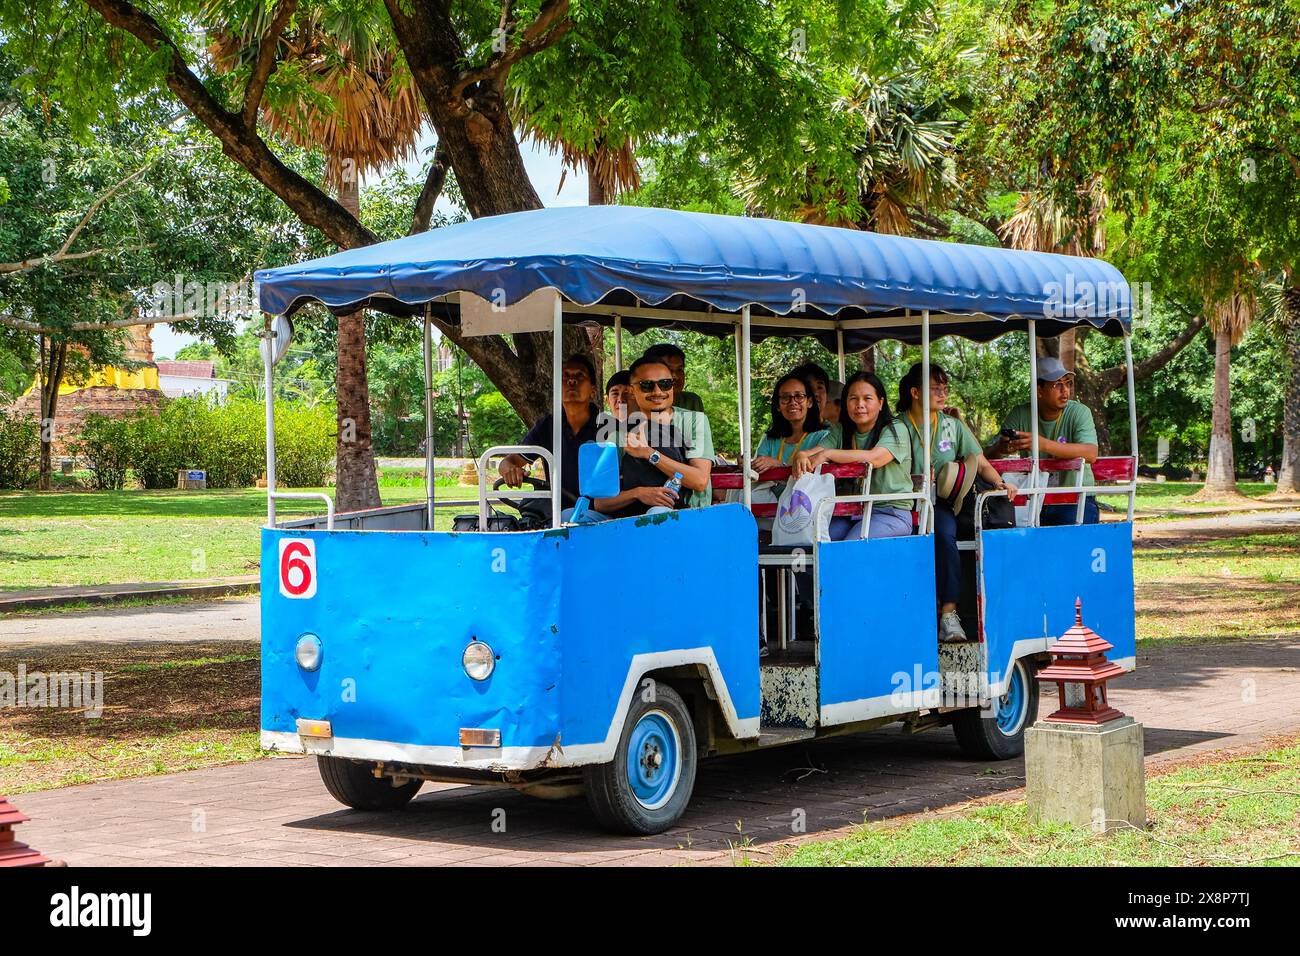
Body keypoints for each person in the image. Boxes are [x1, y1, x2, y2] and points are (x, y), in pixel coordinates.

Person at [897, 362, 1017, 642]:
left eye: (944, 388)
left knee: (945, 536)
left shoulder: (953, 426)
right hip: (901, 503)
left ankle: (949, 615)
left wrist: (999, 483)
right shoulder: (898, 425)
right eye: (935, 388)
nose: (942, 393)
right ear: (915, 392)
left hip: (940, 502)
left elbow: (981, 462)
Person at [791, 371, 913, 540]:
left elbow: (875, 458)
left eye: (867, 398)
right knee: (820, 540)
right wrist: (802, 455)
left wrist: (829, 454)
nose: (860, 404)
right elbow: (814, 453)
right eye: (853, 398)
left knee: (852, 544)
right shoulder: (841, 430)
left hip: (890, 512)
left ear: (880, 402)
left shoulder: (895, 428)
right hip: (852, 513)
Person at [591, 356, 715, 519]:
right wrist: (638, 493)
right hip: (628, 517)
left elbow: (699, 480)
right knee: (570, 515)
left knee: (657, 515)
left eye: (665, 384)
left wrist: (649, 453)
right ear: (633, 392)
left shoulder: (693, 421)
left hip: (686, 514)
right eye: (647, 385)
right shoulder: (619, 434)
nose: (658, 392)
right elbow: (600, 502)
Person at [986, 357, 1099, 525]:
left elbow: (1091, 453)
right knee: (1002, 525)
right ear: (1039, 390)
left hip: (1074, 497)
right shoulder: (1020, 413)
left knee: (1070, 537)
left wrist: (1041, 443)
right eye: (1057, 384)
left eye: (1067, 383)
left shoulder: (1079, 412)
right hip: (1033, 496)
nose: (1065, 390)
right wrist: (1002, 447)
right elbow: (987, 455)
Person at [498, 354, 607, 507]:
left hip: (601, 516)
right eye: (565, 376)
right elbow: (508, 461)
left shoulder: (609, 427)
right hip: (555, 517)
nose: (571, 381)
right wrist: (510, 471)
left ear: (593, 391)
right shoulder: (547, 426)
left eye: (580, 376)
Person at [752, 371, 829, 471]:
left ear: (809, 402)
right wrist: (748, 466)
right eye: (785, 397)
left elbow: (813, 471)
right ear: (778, 406)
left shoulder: (824, 437)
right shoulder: (769, 439)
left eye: (799, 396)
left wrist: (779, 465)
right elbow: (758, 472)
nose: (792, 402)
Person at [643, 342, 705, 413]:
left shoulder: (692, 402)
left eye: (679, 370)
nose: (675, 376)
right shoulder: (637, 404)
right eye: (667, 369)